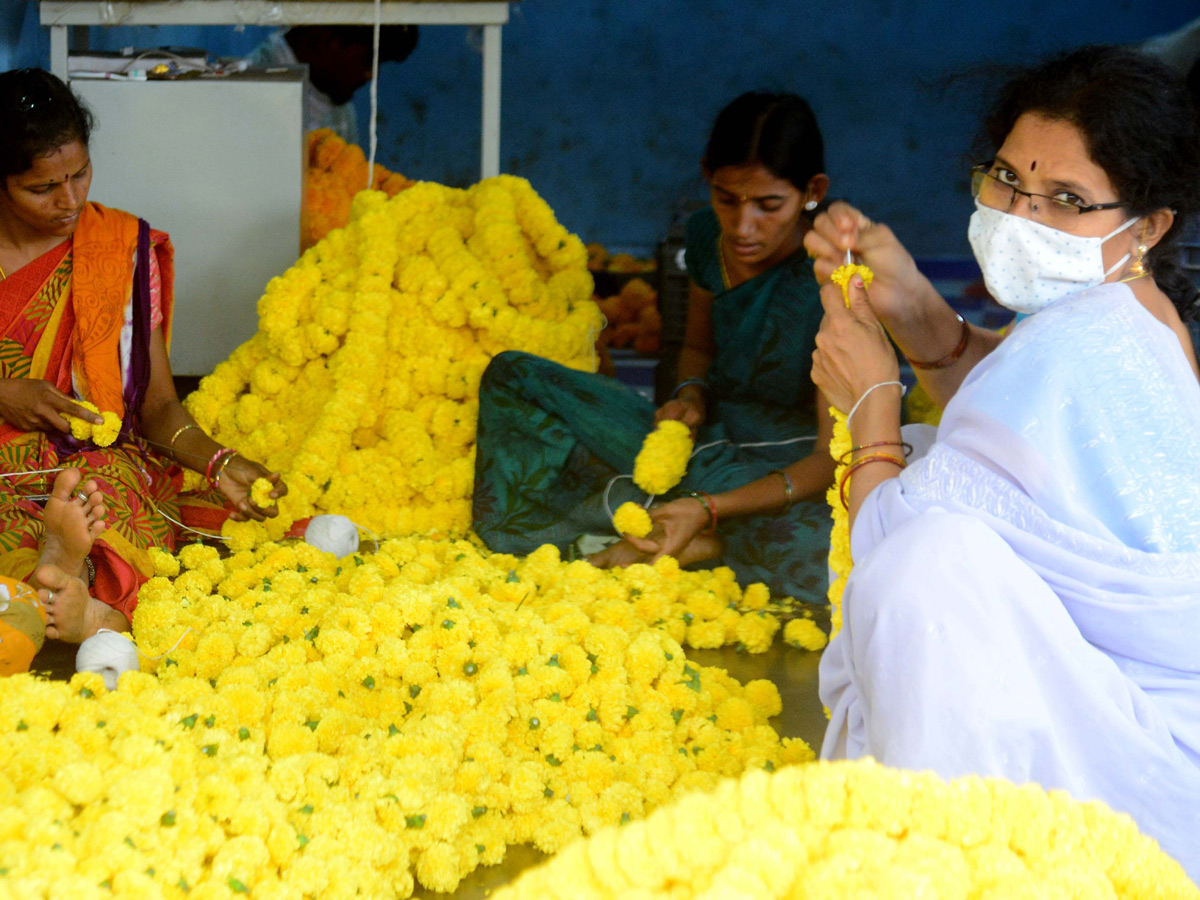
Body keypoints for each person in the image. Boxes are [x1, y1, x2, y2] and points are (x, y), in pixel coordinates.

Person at [805, 46, 1200, 878]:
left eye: (1067, 200)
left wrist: (870, 402)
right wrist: (915, 309)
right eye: (1007, 181)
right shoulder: (1130, 310)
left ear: (1151, 224)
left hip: (1133, 757)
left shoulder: (1079, 344)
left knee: (928, 566)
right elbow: (1020, 428)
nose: (1024, 216)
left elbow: (885, 543)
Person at [473, 91, 837, 603]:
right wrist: (689, 396)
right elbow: (697, 350)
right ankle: (685, 530)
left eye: (768, 206)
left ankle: (695, 534)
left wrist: (713, 506)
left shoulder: (838, 276)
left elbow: (834, 458)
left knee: (833, 558)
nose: (742, 226)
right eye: (726, 198)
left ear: (812, 192)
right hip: (701, 446)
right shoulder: (709, 238)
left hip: (778, 473)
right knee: (514, 377)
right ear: (708, 176)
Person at [0, 68, 286, 652]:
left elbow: (156, 404)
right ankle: (76, 603)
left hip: (86, 455)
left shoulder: (117, 248)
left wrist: (218, 462)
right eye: (41, 188)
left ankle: (69, 590)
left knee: (100, 492)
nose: (70, 200)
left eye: (80, 175)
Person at [249, 25, 419, 144]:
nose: (372, 75)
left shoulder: (340, 111)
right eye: (369, 60)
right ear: (323, 40)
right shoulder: (246, 91)